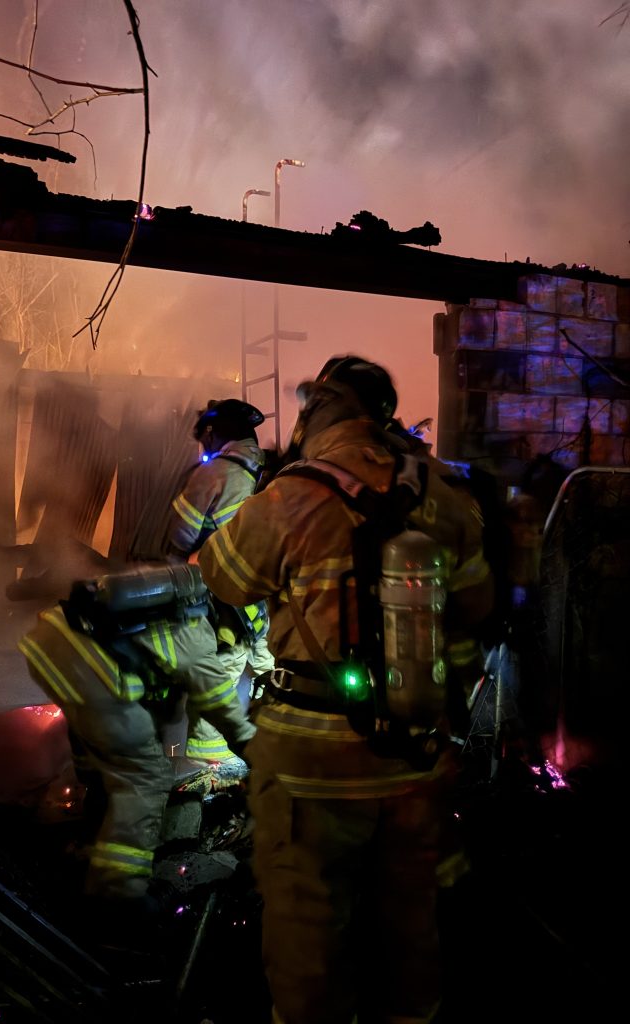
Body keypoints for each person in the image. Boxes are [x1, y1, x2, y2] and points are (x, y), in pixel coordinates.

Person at [197, 357, 495, 1024]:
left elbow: (223, 577)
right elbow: (476, 603)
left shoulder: (290, 495)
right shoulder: (444, 492)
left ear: (317, 414)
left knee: (308, 934)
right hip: (415, 753)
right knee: (410, 923)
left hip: (310, 766)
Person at [17, 560, 256, 930]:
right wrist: (260, 757)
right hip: (89, 671)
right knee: (143, 778)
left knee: (100, 751)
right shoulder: (199, 634)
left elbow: (165, 699)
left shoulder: (176, 601)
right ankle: (119, 896)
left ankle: (89, 824)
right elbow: (223, 709)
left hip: (49, 647)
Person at [165, 398, 275, 764]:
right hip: (264, 596)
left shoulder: (212, 474)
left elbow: (180, 537)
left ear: (213, 434)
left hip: (220, 597)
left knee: (218, 671)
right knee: (266, 667)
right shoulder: (273, 470)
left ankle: (208, 763)